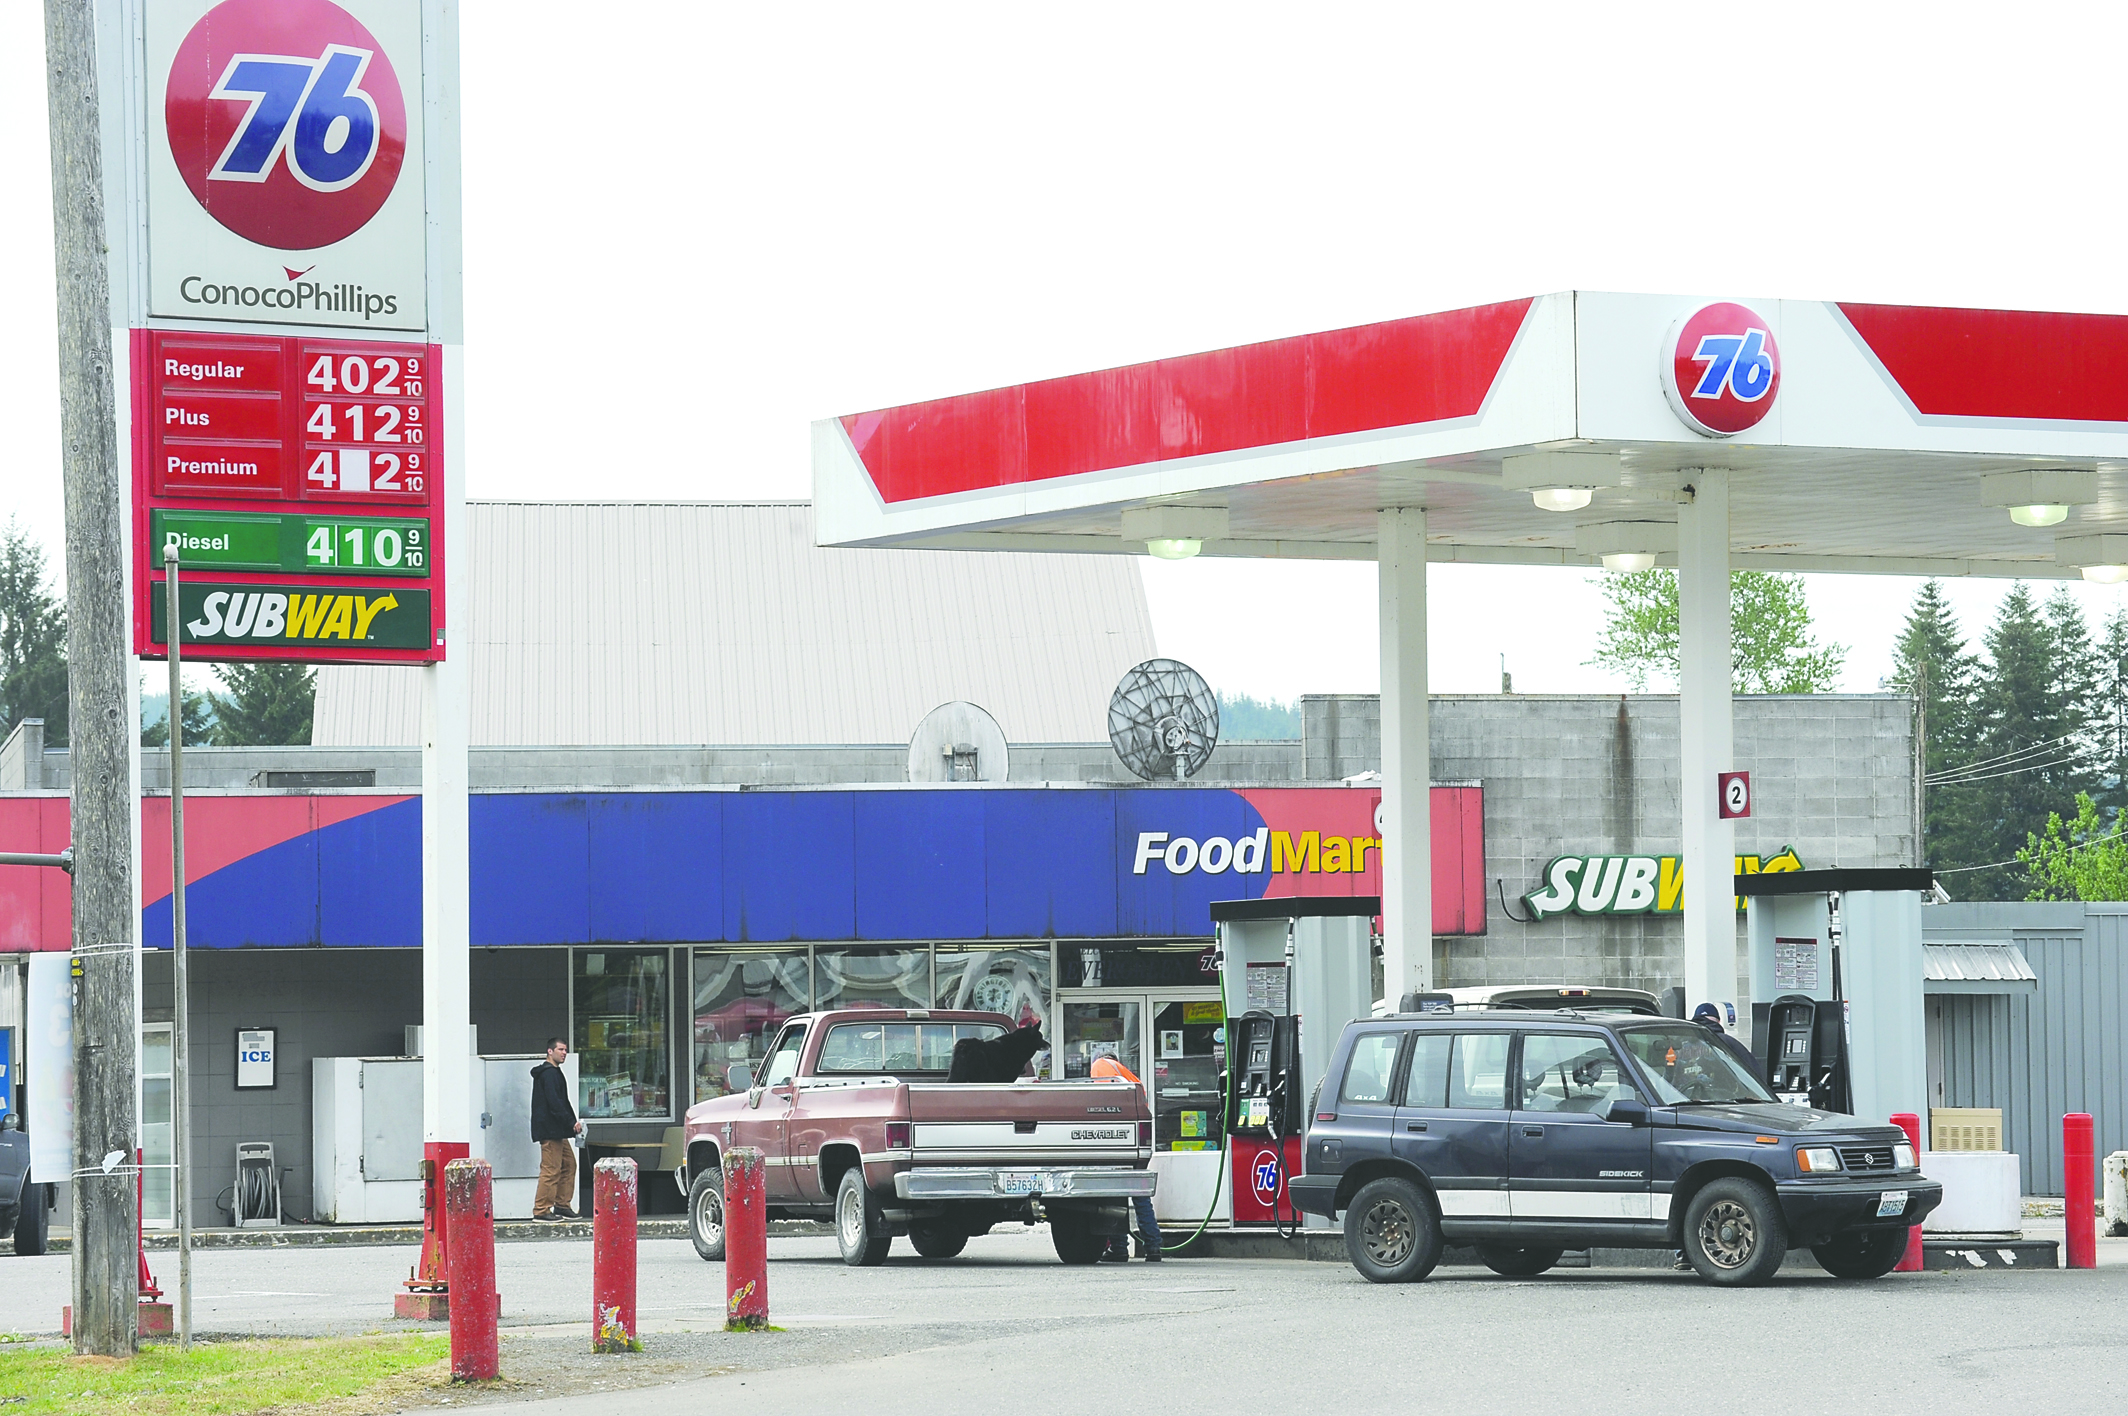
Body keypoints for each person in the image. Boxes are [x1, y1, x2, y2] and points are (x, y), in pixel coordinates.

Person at [1090, 1052, 1161, 1262]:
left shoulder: (1101, 1065)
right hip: (1135, 1144)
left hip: (1116, 1143)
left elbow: (1103, 1103)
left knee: (1115, 1196)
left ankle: (1119, 1248)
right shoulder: (1130, 1079)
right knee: (1140, 1198)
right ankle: (1153, 1246)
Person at [531, 1036, 585, 1220]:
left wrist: (569, 1122)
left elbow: (559, 1102)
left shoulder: (552, 1072)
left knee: (569, 1165)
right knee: (551, 1169)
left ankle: (562, 1205)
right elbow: (556, 1102)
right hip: (551, 1130)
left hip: (557, 1131)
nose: (564, 1053)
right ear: (550, 1051)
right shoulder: (549, 1074)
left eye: (566, 1050)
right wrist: (570, 1122)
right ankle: (541, 1210)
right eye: (561, 1049)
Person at [1692, 1003, 1768, 1085]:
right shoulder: (1727, 1042)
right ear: (1719, 1021)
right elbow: (1753, 1071)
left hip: (1687, 1095)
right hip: (1721, 1094)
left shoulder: (1683, 1040)